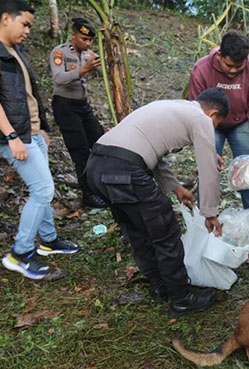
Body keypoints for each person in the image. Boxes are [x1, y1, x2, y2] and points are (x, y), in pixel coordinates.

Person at [85, 88, 228, 317]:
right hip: (125, 171)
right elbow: (208, 168)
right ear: (213, 114)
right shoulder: (201, 119)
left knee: (137, 229)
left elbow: (150, 153)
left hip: (97, 167)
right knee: (166, 231)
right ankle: (181, 299)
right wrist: (210, 213)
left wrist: (176, 187)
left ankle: (160, 285)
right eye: (217, 124)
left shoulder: (171, 106)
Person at [0, 0, 81, 280]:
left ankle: (48, 241)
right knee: (42, 190)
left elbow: (26, 94)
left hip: (28, 130)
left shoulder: (13, 50)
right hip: (13, 133)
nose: (29, 30)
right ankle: (19, 254)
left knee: (43, 188)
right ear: (6, 18)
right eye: (25, 24)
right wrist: (12, 137)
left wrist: (39, 127)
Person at [188, 31, 249, 243]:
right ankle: (203, 219)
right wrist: (207, 147)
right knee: (208, 168)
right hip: (209, 123)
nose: (233, 71)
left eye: (238, 67)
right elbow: (195, 110)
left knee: (247, 173)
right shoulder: (202, 69)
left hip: (239, 122)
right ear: (220, 56)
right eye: (228, 66)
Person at [49, 17, 107, 208]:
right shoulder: (60, 52)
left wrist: (99, 65)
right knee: (80, 151)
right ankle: (88, 196)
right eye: (83, 39)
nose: (87, 43)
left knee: (101, 143)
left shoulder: (88, 54)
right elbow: (58, 78)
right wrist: (82, 70)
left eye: (89, 40)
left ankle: (103, 187)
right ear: (73, 35)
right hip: (65, 106)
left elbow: (100, 74)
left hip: (83, 106)